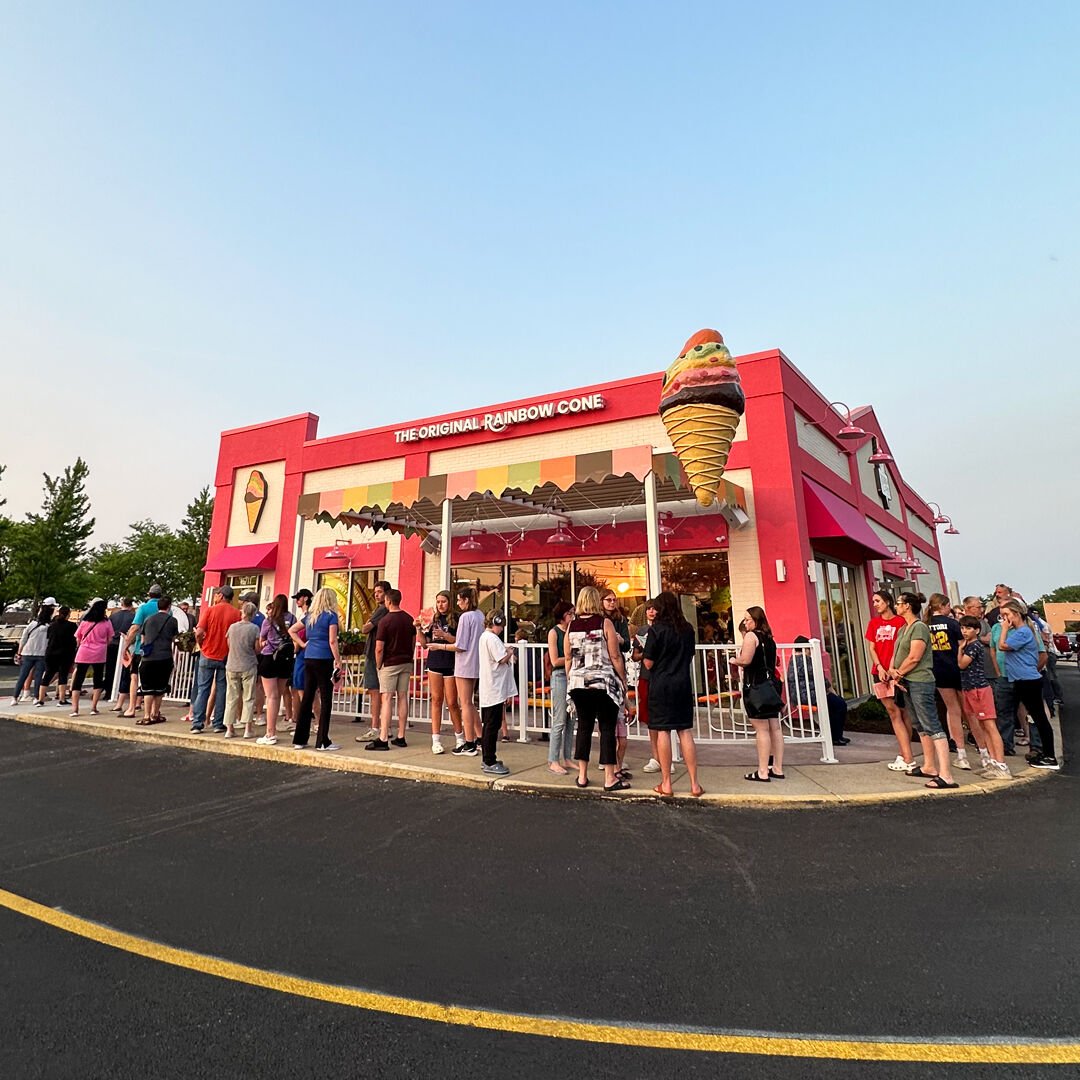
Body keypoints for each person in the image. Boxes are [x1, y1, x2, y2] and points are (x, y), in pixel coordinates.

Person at [888, 593, 957, 789]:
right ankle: (929, 766)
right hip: (906, 682)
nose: (896, 606)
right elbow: (897, 653)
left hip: (919, 681)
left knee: (931, 724)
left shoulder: (919, 628)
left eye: (899, 603)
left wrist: (899, 673)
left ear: (908, 606)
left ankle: (946, 774)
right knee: (920, 724)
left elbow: (915, 657)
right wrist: (893, 670)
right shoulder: (903, 629)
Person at [565, 586, 627, 791]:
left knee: (583, 727)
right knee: (607, 728)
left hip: (578, 682)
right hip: (603, 682)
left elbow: (568, 657)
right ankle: (610, 777)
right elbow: (615, 655)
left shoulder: (571, 626)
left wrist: (570, 679)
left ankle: (582, 775)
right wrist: (623, 680)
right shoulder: (605, 623)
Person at [643, 591, 703, 797]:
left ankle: (666, 783)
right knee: (685, 731)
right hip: (682, 683)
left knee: (663, 731)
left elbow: (648, 662)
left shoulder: (657, 630)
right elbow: (690, 656)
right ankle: (695, 783)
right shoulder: (687, 629)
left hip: (661, 683)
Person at [997, 600, 1059, 769]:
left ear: (1016, 614)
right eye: (1003, 616)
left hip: (1028, 680)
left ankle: (1049, 756)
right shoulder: (1020, 631)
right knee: (1026, 715)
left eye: (1007, 615)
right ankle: (1044, 753)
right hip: (1020, 679)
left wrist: (1003, 630)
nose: (1004, 619)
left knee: (1039, 717)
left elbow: (1002, 646)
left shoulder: (1023, 632)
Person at [732, 606, 785, 782]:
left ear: (756, 620)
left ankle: (762, 771)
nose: (745, 622)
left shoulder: (751, 636)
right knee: (775, 728)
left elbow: (746, 660)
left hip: (755, 685)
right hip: (771, 686)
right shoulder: (769, 638)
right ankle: (777, 768)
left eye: (748, 619)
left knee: (761, 729)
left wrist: (734, 660)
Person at [926, 593, 978, 770]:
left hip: (939, 670)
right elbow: (964, 643)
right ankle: (983, 749)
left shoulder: (926, 625)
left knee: (952, 710)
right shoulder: (953, 624)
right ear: (943, 606)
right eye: (948, 606)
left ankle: (960, 751)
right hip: (958, 668)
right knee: (969, 711)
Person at [865, 590, 915, 770]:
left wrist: (894, 669)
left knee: (903, 711)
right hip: (879, 671)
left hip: (898, 672)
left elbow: (902, 647)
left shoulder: (900, 622)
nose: (875, 604)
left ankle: (906, 754)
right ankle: (905, 754)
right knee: (893, 711)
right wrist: (878, 666)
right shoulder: (874, 623)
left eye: (878, 600)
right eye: (873, 601)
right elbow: (872, 647)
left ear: (887, 602)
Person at [957, 616, 1009, 779]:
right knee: (983, 725)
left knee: (989, 725)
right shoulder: (970, 645)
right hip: (970, 688)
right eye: (963, 628)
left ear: (977, 630)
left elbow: (961, 664)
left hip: (979, 689)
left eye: (969, 628)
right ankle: (993, 762)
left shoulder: (973, 646)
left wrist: (959, 650)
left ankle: (1001, 763)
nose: (965, 631)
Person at [289, 587, 341, 751]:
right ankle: (323, 740)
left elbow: (292, 630)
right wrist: (338, 660)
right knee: (325, 698)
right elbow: (332, 640)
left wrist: (304, 644)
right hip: (324, 658)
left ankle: (300, 739)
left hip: (309, 657)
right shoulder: (331, 616)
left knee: (307, 697)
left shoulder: (309, 616)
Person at [365, 589, 416, 751]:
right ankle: (401, 736)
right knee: (402, 697)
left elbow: (379, 648)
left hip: (389, 662)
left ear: (388, 601)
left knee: (386, 699)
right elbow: (414, 641)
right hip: (406, 661)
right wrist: (410, 657)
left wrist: (379, 665)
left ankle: (383, 737)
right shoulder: (409, 619)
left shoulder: (385, 621)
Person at [414, 590, 463, 755]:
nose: (440, 605)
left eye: (443, 601)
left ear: (449, 602)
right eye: (438, 602)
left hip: (451, 662)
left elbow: (459, 641)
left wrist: (444, 635)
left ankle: (460, 737)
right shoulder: (432, 618)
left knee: (452, 702)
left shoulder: (456, 619)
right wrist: (419, 629)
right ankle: (436, 739)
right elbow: (424, 643)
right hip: (435, 661)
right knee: (436, 699)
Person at [190, 585, 241, 733]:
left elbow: (199, 632)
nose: (214, 597)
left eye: (216, 594)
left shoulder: (210, 610)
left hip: (208, 653)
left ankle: (197, 722)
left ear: (221, 595)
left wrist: (201, 644)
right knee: (222, 690)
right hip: (226, 655)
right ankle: (218, 722)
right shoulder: (236, 613)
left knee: (203, 689)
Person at [787, 635, 848, 746]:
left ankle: (835, 735)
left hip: (800, 695)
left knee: (833, 704)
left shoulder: (793, 660)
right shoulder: (805, 660)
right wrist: (831, 690)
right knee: (840, 704)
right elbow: (819, 677)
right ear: (806, 648)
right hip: (810, 695)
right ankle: (836, 736)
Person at [477, 612, 515, 776]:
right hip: (494, 689)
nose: (502, 629)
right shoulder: (491, 639)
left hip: (490, 688)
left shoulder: (485, 637)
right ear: (497, 623)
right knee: (492, 726)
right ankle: (489, 760)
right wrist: (510, 652)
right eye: (501, 625)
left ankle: (488, 758)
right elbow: (501, 659)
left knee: (490, 725)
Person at [255, 594, 295, 745]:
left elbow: (261, 641)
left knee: (271, 696)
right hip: (285, 660)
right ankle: (273, 730)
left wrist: (265, 642)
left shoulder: (269, 621)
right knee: (279, 694)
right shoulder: (292, 619)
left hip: (270, 658)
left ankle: (270, 732)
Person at [452, 587, 486, 757]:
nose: (458, 603)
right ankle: (480, 737)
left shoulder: (466, 617)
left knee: (464, 703)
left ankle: (469, 742)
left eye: (459, 599)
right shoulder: (480, 615)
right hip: (476, 663)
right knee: (470, 702)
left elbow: (460, 645)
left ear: (466, 600)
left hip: (464, 663)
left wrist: (440, 645)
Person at [135, 597, 179, 723]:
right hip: (165, 657)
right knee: (160, 688)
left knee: (148, 688)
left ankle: (146, 716)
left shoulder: (148, 620)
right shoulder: (172, 621)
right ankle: (155, 714)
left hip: (148, 658)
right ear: (169, 606)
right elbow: (174, 638)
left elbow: (143, 638)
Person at [545, 601, 576, 774]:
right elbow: (555, 660)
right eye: (570, 613)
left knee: (571, 719)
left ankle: (567, 757)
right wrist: (571, 658)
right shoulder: (554, 632)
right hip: (560, 676)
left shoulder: (572, 631)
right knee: (559, 719)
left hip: (572, 677)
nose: (572, 616)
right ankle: (553, 759)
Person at [631, 599, 661, 773]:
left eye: (654, 609)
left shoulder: (663, 630)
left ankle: (665, 755)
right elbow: (635, 656)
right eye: (648, 609)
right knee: (649, 717)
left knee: (661, 716)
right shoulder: (642, 631)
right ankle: (655, 755)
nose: (651, 612)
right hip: (646, 675)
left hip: (660, 676)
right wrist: (645, 653)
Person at [358, 581, 391, 739]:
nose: (376, 594)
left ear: (387, 594)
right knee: (383, 692)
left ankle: (375, 727)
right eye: (375, 592)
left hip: (374, 654)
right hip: (381, 654)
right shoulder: (385, 610)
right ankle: (385, 727)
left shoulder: (382, 610)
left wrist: (365, 625)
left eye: (379, 591)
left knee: (374, 691)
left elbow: (366, 628)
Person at [69, 599, 113, 716]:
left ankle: (75, 709)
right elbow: (110, 639)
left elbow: (78, 637)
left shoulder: (85, 622)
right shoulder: (106, 623)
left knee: (78, 680)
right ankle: (93, 707)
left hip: (84, 652)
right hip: (99, 653)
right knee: (97, 679)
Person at [224, 602, 261, 738]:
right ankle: (247, 729)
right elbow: (257, 649)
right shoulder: (254, 628)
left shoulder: (232, 627)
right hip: (249, 664)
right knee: (248, 697)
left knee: (231, 697)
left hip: (232, 664)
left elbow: (229, 645)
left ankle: (229, 728)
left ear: (242, 612)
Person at [12, 602, 53, 705]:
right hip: (41, 654)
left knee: (23, 675)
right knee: (38, 676)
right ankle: (36, 697)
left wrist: (19, 652)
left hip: (28, 652)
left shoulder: (32, 624)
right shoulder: (49, 627)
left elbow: (24, 639)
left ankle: (15, 697)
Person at [37, 605, 76, 708]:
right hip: (65, 653)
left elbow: (49, 638)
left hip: (51, 653)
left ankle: (40, 699)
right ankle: (62, 699)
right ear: (68, 614)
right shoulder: (72, 626)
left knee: (47, 675)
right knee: (63, 676)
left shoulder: (52, 625)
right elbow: (74, 640)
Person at [107, 598, 137, 711]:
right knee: (124, 670)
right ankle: (122, 691)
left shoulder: (113, 616)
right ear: (131, 605)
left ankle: (109, 691)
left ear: (122, 604)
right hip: (125, 644)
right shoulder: (133, 616)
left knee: (110, 668)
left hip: (112, 643)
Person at [289, 588, 313, 723]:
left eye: (298, 598)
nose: (297, 601)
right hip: (306, 653)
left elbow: (299, 634)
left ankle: (305, 721)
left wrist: (298, 646)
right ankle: (306, 720)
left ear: (305, 598)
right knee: (306, 690)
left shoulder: (306, 616)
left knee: (302, 689)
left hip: (302, 654)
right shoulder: (304, 615)